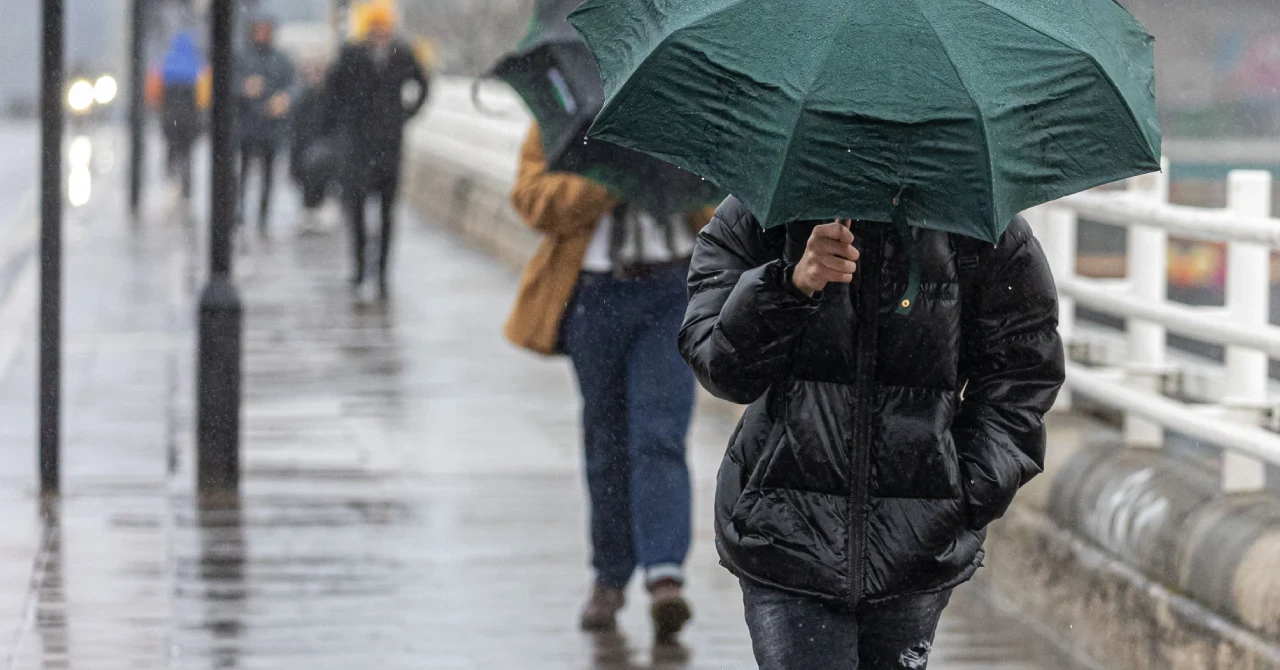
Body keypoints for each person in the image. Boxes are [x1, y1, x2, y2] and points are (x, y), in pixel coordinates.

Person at [679, 201, 1065, 668]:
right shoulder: (761, 211)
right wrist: (791, 283)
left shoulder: (981, 221)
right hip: (782, 534)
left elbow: (1023, 371)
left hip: (916, 547)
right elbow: (721, 368)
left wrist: (964, 491)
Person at [506, 126, 716, 645]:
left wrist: (672, 173)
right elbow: (532, 199)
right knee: (605, 441)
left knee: (660, 435)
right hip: (595, 294)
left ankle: (665, 576)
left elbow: (728, 199)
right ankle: (609, 576)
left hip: (671, 292)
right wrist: (608, 180)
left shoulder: (681, 106)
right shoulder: (568, 115)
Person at [325, 6, 429, 294]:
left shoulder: (402, 54)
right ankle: (360, 268)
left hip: (389, 145)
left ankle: (382, 272)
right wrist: (345, 119)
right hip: (358, 144)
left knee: (386, 212)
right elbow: (333, 88)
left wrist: (405, 114)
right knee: (357, 209)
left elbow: (422, 84)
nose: (379, 31)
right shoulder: (351, 54)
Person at [236, 16, 295, 234]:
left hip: (271, 126)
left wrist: (284, 99)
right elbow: (228, 84)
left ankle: (263, 218)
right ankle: (240, 214)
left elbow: (293, 85)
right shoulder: (242, 58)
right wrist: (243, 88)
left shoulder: (280, 59)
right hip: (247, 126)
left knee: (268, 176)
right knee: (243, 172)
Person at [289, 62, 335, 234]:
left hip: (323, 150)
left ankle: (315, 212)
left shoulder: (329, 99)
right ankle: (310, 212)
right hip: (306, 149)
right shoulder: (304, 98)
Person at [159, 30, 204, 201]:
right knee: (187, 154)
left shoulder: (166, 64)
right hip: (190, 119)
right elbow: (203, 99)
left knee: (172, 149)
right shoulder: (197, 67)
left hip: (170, 118)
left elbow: (156, 95)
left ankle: (171, 177)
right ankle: (186, 189)